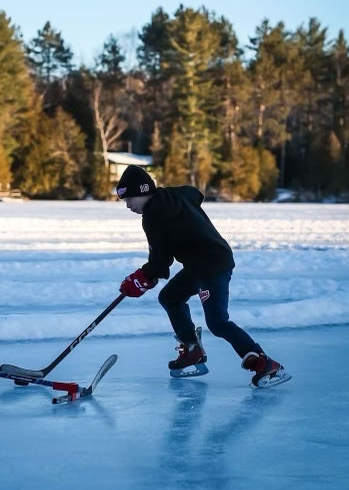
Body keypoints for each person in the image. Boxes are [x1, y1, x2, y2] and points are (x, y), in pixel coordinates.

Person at [117, 164, 288, 387]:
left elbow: (161, 261)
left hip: (212, 265)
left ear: (142, 191)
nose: (128, 205)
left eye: (129, 199)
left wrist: (141, 278)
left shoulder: (153, 216)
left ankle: (264, 363)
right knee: (170, 297)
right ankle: (192, 349)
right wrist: (147, 277)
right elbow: (194, 193)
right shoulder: (174, 196)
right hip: (202, 263)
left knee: (217, 322)